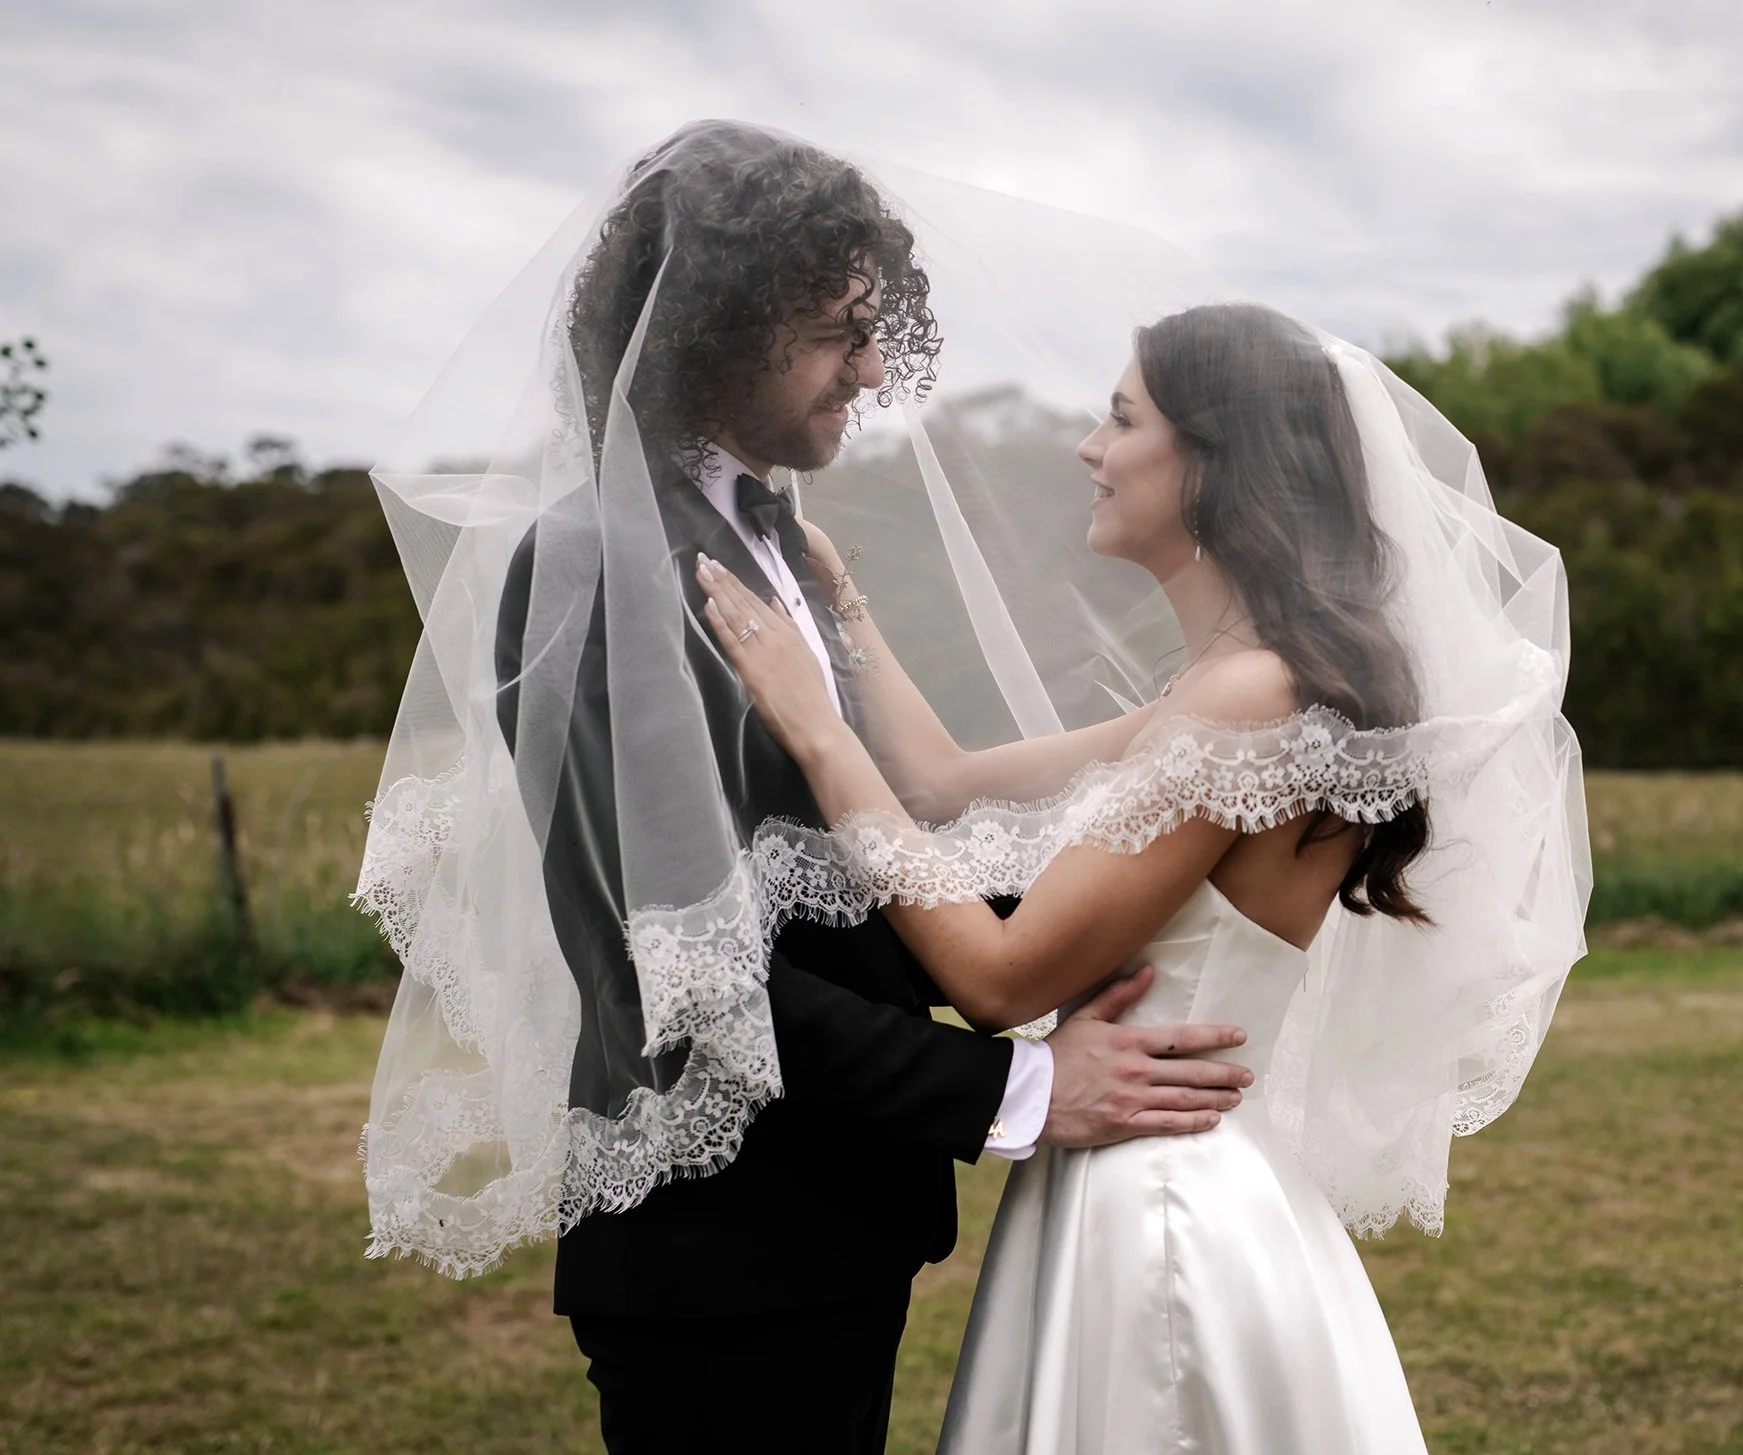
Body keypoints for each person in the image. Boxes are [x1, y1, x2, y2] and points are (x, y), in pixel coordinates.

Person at [354, 122, 1254, 1455]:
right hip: (721, 1252)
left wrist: (1140, 888)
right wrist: (1016, 1089)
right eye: (841, 331)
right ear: (717, 324)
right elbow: (683, 969)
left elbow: (842, 871)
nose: (875, 371)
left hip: (828, 1222)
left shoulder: (767, 539)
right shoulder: (598, 564)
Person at [697, 300, 1588, 1452]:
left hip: (1165, 1207)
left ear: (1219, 463)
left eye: (1121, 419)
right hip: (1151, 1175)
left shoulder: (1246, 702)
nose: (1088, 449)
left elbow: (1003, 980)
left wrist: (819, 735)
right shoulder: (1224, 689)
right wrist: (844, 613)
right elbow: (941, 781)